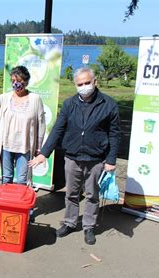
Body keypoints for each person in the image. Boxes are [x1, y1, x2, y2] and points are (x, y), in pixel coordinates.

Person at [29, 67, 120, 245]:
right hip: (72, 157)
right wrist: (44, 154)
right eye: (80, 84)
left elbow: (115, 134)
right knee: (71, 193)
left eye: (87, 82)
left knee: (92, 195)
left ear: (95, 82)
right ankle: (70, 222)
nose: (84, 86)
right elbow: (58, 129)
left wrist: (111, 159)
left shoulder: (109, 105)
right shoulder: (69, 104)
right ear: (75, 85)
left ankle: (88, 226)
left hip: (96, 159)